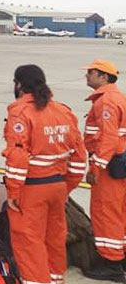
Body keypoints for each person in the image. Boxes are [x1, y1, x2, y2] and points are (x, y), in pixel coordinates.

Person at [1, 65, 87, 284]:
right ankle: (55, 280)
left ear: (19, 84)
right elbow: (79, 157)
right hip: (58, 187)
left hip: (31, 189)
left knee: (29, 242)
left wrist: (13, 192)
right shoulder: (63, 111)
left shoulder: (20, 113)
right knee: (54, 239)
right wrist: (67, 187)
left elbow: (18, 156)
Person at [81, 59, 126, 281]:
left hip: (108, 166)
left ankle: (112, 264)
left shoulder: (106, 102)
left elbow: (108, 138)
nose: (87, 76)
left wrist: (96, 167)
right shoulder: (118, 97)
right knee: (119, 212)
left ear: (104, 77)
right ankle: (120, 256)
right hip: (119, 163)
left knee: (106, 213)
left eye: (91, 72)